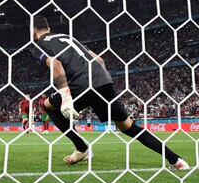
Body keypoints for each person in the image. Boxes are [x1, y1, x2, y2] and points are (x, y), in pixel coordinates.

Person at [31, 16, 189, 170]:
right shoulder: (67, 37)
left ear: (33, 30)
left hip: (80, 84)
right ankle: (177, 160)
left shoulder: (38, 45)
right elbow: (99, 60)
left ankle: (82, 149)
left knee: (47, 105)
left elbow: (55, 63)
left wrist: (66, 96)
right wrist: (103, 83)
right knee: (129, 126)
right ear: (49, 28)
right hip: (103, 81)